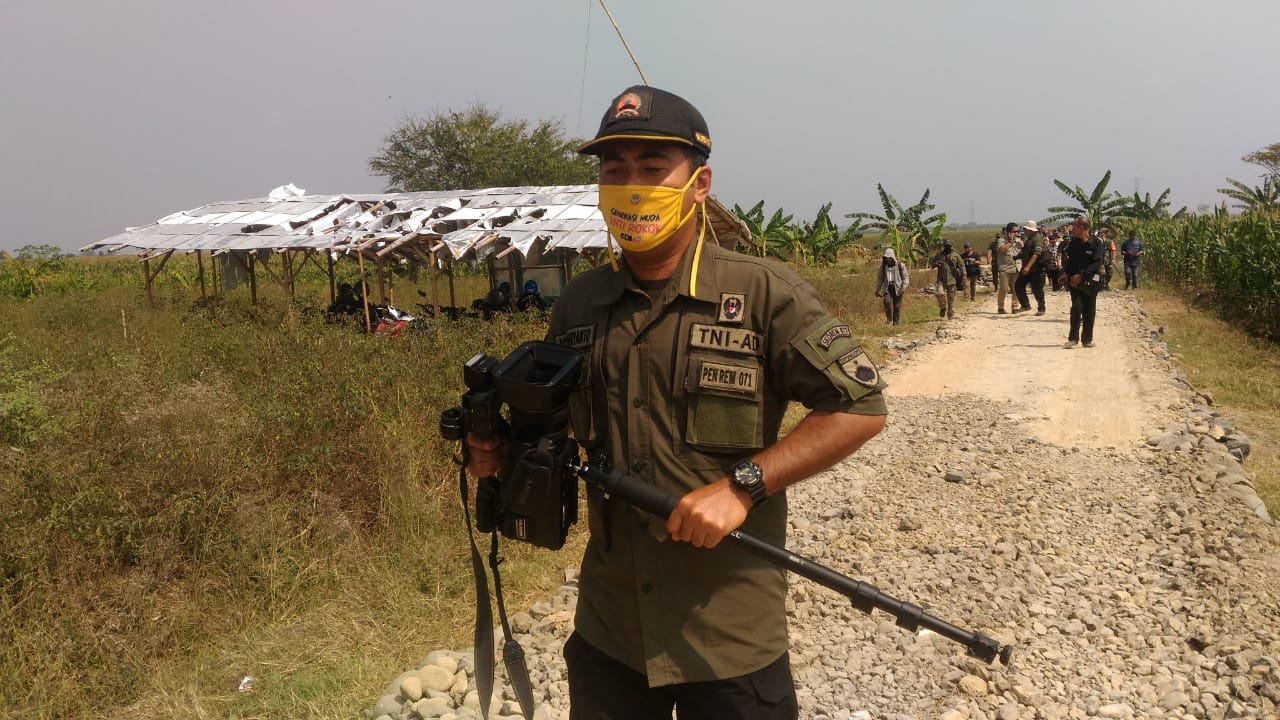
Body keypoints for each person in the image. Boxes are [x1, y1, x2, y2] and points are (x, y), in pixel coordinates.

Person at [467, 85, 887, 720]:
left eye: (651, 167)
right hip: (610, 630)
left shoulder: (764, 293)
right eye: (615, 171)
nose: (631, 185)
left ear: (699, 183)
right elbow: (549, 433)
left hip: (727, 640)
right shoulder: (579, 304)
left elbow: (860, 407)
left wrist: (743, 486)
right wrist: (498, 454)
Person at [1063, 215, 1105, 348]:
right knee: (1076, 307)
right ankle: (1073, 338)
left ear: (1082, 228)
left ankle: (1087, 339)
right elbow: (1070, 261)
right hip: (1075, 282)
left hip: (1091, 281)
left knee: (1089, 310)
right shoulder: (1074, 243)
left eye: (1074, 227)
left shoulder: (1097, 243)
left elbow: (1097, 263)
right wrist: (1065, 273)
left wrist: (1082, 275)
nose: (1072, 230)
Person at [1012, 220, 1047, 315]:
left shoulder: (1037, 238)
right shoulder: (1030, 238)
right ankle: (1025, 305)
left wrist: (1027, 267)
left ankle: (1041, 308)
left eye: (1025, 229)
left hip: (1035, 269)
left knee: (1037, 289)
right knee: (1018, 285)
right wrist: (1017, 257)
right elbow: (1026, 252)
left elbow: (1036, 253)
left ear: (1030, 229)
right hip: (1027, 268)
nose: (1024, 231)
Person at [931, 239, 965, 319]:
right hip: (941, 279)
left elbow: (962, 265)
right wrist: (936, 264)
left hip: (952, 279)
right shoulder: (939, 255)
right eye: (946, 246)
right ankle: (943, 307)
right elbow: (932, 264)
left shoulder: (955, 255)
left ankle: (950, 313)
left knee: (951, 298)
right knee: (939, 294)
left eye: (949, 246)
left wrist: (964, 275)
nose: (948, 247)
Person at [874, 247, 909, 325]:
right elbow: (880, 279)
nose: (887, 259)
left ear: (892, 257)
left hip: (898, 288)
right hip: (887, 288)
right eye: (886, 258)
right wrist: (877, 289)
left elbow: (905, 277)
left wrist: (904, 287)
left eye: (889, 258)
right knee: (886, 302)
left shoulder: (900, 265)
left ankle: (896, 322)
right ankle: (889, 319)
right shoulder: (883, 267)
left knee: (897, 306)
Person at [994, 222, 1022, 314]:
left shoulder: (1019, 240)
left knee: (1016, 288)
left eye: (1017, 231)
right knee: (1004, 289)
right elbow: (1002, 250)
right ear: (1009, 231)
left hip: (1016, 267)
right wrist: (1010, 242)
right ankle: (1001, 307)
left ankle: (1014, 307)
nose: (1016, 233)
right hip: (1005, 268)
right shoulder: (1001, 240)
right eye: (1015, 231)